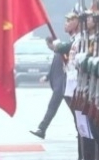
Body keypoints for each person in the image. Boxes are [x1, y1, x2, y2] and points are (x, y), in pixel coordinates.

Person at [30, 11, 78, 140]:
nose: (66, 24)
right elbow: (59, 63)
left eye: (69, 21)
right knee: (65, 109)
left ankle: (43, 128)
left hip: (67, 83)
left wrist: (57, 46)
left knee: (76, 111)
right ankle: (43, 128)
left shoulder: (76, 42)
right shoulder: (70, 42)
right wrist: (47, 76)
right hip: (63, 83)